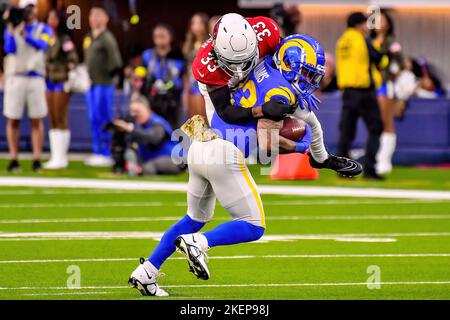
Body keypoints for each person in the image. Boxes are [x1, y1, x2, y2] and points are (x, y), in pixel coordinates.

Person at [128, 34, 361, 297]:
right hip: (224, 153)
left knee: (194, 219)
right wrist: (303, 148)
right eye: (306, 73)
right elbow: (269, 140)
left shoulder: (260, 63)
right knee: (253, 226)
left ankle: (146, 271)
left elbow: (305, 123)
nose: (311, 81)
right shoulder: (282, 93)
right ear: (289, 64)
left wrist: (322, 157)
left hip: (201, 143)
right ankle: (200, 244)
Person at [192, 13, 358, 176]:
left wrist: (293, 90)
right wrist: (261, 110)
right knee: (226, 145)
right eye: (235, 62)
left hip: (258, 73)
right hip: (224, 85)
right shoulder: (206, 65)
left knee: (306, 119)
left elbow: (284, 54)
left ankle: (322, 158)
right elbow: (225, 111)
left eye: (245, 60)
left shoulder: (266, 33)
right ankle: (193, 151)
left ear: (254, 40)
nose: (239, 67)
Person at [3, 4, 52, 172]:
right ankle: (14, 158)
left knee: (36, 119)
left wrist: (26, 35)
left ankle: (37, 159)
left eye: (31, 9)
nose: (29, 13)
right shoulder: (12, 27)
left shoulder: (43, 28)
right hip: (16, 77)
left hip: (35, 78)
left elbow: (43, 46)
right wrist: (11, 28)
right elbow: (9, 48)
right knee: (13, 119)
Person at [336, 12, 384, 180]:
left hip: (347, 92)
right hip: (364, 91)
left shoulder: (342, 41)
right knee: (376, 128)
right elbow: (380, 59)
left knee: (346, 132)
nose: (366, 26)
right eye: (364, 22)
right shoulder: (362, 39)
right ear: (359, 24)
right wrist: (380, 46)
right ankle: (370, 170)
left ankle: (344, 170)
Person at [83, 4, 123, 167]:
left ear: (105, 19)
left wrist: (107, 75)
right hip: (91, 84)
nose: (94, 19)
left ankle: (107, 152)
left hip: (104, 84)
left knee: (104, 118)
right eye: (92, 15)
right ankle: (97, 150)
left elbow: (116, 62)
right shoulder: (89, 37)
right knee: (93, 118)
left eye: (98, 15)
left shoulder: (107, 38)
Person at [112, 95, 184, 176]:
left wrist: (129, 128)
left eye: (138, 111)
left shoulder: (157, 122)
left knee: (149, 167)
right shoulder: (138, 125)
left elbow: (153, 138)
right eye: (132, 112)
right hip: (151, 160)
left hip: (174, 160)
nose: (135, 115)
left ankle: (139, 170)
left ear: (147, 109)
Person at [43, 9, 78, 170]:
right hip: (48, 81)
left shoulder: (65, 39)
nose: (50, 21)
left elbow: (73, 59)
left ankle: (62, 156)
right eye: (49, 17)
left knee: (60, 117)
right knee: (52, 117)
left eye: (53, 18)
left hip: (61, 82)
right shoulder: (48, 38)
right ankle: (55, 155)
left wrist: (69, 77)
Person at [371, 10, 403, 175]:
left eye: (383, 21)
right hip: (371, 85)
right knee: (375, 124)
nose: (380, 24)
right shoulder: (369, 41)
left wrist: (394, 69)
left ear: (388, 24)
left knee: (386, 122)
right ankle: (376, 158)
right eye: (377, 21)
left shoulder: (392, 42)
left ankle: (384, 161)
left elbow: (401, 63)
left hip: (385, 84)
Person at [136, 24, 185, 129]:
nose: (159, 39)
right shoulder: (147, 55)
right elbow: (140, 78)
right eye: (157, 36)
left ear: (170, 37)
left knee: (175, 132)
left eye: (162, 35)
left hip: (174, 102)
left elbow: (184, 80)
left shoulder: (178, 54)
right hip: (152, 101)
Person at [182, 13, 209, 118]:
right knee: (193, 116)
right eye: (194, 23)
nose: (196, 26)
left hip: (205, 82)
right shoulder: (189, 44)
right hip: (192, 83)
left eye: (200, 23)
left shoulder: (209, 42)